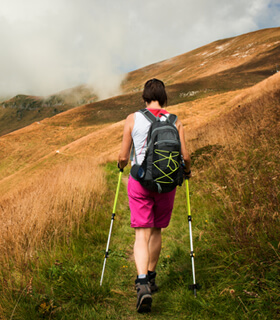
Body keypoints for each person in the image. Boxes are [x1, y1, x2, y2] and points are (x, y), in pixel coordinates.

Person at [118, 78, 191, 313]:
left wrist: (121, 165)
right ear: (164, 97)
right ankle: (151, 277)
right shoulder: (175, 120)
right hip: (166, 184)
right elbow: (186, 157)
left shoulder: (132, 118)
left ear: (144, 97)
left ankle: (141, 284)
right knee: (157, 230)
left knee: (142, 233)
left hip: (139, 182)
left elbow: (122, 155)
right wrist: (187, 172)